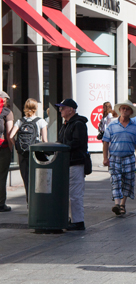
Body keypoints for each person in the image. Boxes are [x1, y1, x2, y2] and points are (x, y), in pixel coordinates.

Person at [102, 100, 136, 216]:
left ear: (131, 112)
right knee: (115, 181)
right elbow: (105, 142)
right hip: (114, 158)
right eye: (123, 108)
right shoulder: (112, 125)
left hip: (129, 158)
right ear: (119, 110)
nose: (124, 110)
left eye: (127, 109)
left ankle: (122, 204)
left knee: (128, 181)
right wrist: (105, 158)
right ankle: (117, 204)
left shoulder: (135, 127)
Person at [56, 99, 88, 231]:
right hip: (66, 162)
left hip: (75, 162)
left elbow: (77, 142)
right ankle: (71, 218)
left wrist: (62, 147)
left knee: (75, 193)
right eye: (60, 108)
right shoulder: (66, 124)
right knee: (69, 193)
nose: (60, 110)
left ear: (71, 110)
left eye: (63, 108)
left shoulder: (78, 124)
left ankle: (78, 221)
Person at [10, 98, 47, 200]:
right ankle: (38, 202)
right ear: (36, 108)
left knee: (26, 179)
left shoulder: (20, 121)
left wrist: (17, 147)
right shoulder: (41, 121)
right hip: (36, 153)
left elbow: (11, 136)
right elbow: (44, 140)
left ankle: (29, 203)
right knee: (37, 179)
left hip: (23, 154)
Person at [0, 91, 14, 212]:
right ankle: (1, 203)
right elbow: (9, 133)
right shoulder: (7, 113)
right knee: (2, 176)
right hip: (2, 148)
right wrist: (10, 148)